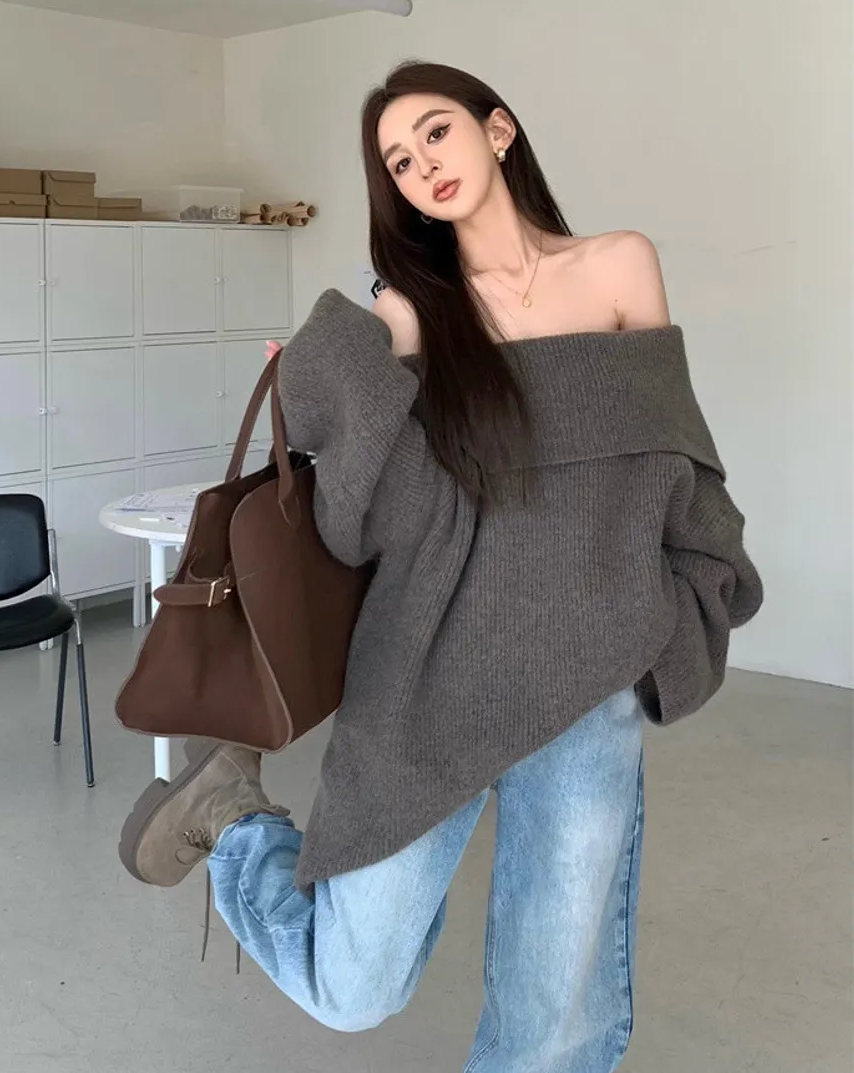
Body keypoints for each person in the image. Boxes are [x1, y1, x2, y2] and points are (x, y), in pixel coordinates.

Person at [119, 61, 763, 1072]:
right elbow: (352, 507)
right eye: (398, 161)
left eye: (435, 133)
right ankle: (233, 820)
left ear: (497, 131)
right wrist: (357, 348)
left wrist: (674, 609)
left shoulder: (619, 267)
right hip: (430, 672)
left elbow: (675, 462)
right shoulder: (414, 315)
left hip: (589, 678)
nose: (423, 166)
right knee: (354, 986)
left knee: (556, 1020)